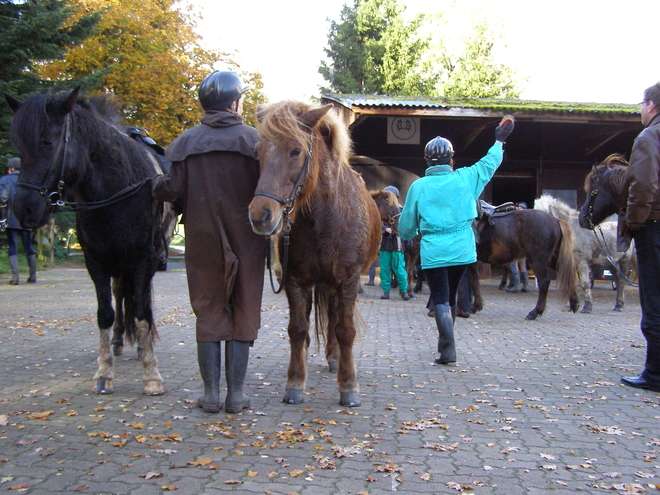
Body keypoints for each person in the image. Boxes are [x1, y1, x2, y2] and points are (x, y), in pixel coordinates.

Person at [152, 71, 269, 412]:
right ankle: (237, 395)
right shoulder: (256, 142)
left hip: (202, 240)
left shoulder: (186, 142)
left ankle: (210, 395)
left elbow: (171, 190)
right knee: (244, 306)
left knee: (208, 308)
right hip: (248, 238)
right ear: (234, 102)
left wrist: (154, 184)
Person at [399, 116, 514, 364]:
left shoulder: (419, 187)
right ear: (451, 159)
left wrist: (407, 233)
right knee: (451, 298)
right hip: (462, 250)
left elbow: (407, 226)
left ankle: (448, 349)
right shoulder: (466, 177)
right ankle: (445, 345)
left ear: (427, 161)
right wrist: (499, 140)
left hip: (434, 251)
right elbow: (489, 163)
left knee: (439, 297)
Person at [618, 82, 660, 393]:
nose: (640, 110)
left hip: (654, 228)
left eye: (641, 104)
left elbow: (642, 185)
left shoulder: (649, 137)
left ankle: (655, 373)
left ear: (652, 105)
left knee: (654, 299)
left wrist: (634, 221)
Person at [0, 157, 37, 285]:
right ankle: (32, 277)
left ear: (11, 168)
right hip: (26, 219)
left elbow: (2, 198)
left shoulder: (5, 180)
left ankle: (15, 278)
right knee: (28, 246)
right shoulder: (29, 181)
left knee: (13, 246)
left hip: (11, 219)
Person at [379, 185, 412, 301]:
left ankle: (404, 291)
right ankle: (386, 291)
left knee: (399, 268)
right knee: (384, 268)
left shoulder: (401, 210)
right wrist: (384, 229)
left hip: (397, 242)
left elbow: (404, 224)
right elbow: (379, 222)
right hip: (385, 242)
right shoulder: (382, 209)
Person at [506, 202, 529, 293]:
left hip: (516, 247)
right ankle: (526, 286)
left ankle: (516, 286)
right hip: (524, 247)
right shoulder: (528, 221)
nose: (517, 208)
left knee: (513, 265)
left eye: (519, 207)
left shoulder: (517, 220)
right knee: (523, 266)